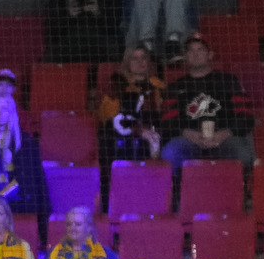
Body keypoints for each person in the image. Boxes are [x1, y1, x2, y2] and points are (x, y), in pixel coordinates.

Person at [159, 34, 254, 170]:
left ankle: (241, 184)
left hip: (224, 139)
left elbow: (246, 115)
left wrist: (224, 133)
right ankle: (177, 185)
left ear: (210, 55)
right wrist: (188, 133)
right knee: (170, 153)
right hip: (189, 141)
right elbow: (167, 121)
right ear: (185, 56)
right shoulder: (176, 86)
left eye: (200, 50)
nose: (195, 54)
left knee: (241, 153)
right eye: (190, 50)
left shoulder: (228, 81)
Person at [99, 42, 166, 166]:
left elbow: (161, 113)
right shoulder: (118, 84)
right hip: (123, 130)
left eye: (143, 57)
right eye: (134, 58)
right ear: (127, 62)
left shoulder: (158, 85)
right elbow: (106, 117)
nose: (140, 62)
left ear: (148, 61)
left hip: (152, 128)